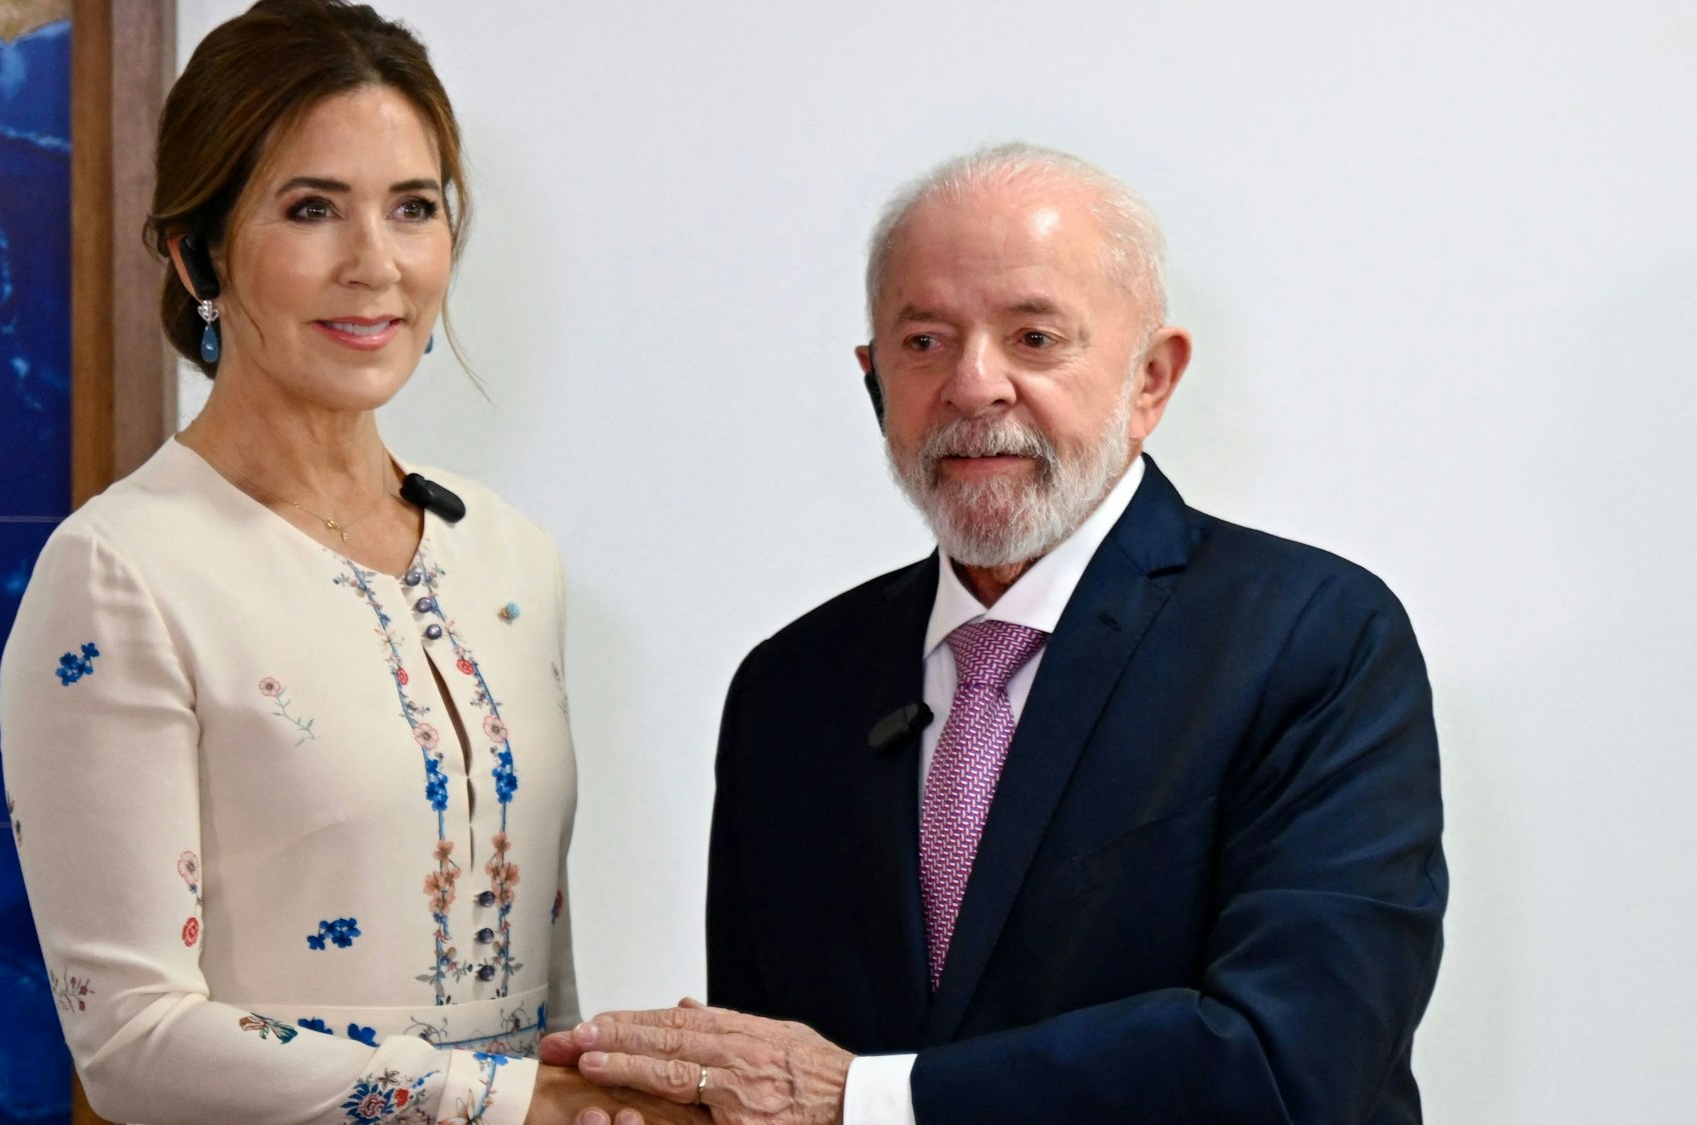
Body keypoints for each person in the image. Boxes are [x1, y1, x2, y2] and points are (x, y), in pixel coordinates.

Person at [541, 144, 1446, 1124]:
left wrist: (870, 1099)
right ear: (873, 382)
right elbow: (766, 1084)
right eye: (924, 341)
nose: (974, 387)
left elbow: (1296, 1061)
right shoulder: (789, 690)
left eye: (1033, 337)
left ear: (1151, 379)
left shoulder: (1312, 639)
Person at [0, 3, 700, 1123]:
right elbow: (131, 1040)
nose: (374, 264)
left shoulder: (508, 556)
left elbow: (542, 976)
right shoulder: (120, 575)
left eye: (412, 209)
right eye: (311, 209)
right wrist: (505, 1108)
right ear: (198, 251)